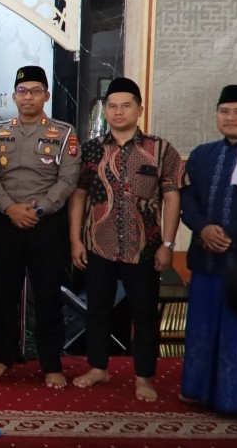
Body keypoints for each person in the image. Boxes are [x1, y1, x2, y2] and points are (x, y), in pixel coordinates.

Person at [69, 76, 183, 401]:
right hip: (98, 243)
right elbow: (78, 196)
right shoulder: (91, 149)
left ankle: (144, 376)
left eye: (126, 106)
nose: (118, 112)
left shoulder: (160, 149)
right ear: (105, 111)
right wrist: (76, 240)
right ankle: (98, 367)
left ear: (139, 110)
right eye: (112, 106)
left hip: (144, 248)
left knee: (144, 313)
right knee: (97, 309)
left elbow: (172, 196)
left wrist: (168, 244)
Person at [0, 66, 80, 388]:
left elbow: (68, 179)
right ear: (14, 96)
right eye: (22, 91)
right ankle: (2, 357)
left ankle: (51, 363)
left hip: (45, 225)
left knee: (48, 296)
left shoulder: (64, 133)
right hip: (6, 222)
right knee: (4, 294)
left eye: (35, 91)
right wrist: (10, 209)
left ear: (46, 96)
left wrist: (38, 209)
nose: (28, 97)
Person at [179, 84, 237, 419]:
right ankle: (200, 392)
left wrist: (230, 233)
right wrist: (203, 228)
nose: (231, 118)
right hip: (205, 258)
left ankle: (236, 401)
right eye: (225, 111)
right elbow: (187, 198)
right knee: (202, 329)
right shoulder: (201, 154)